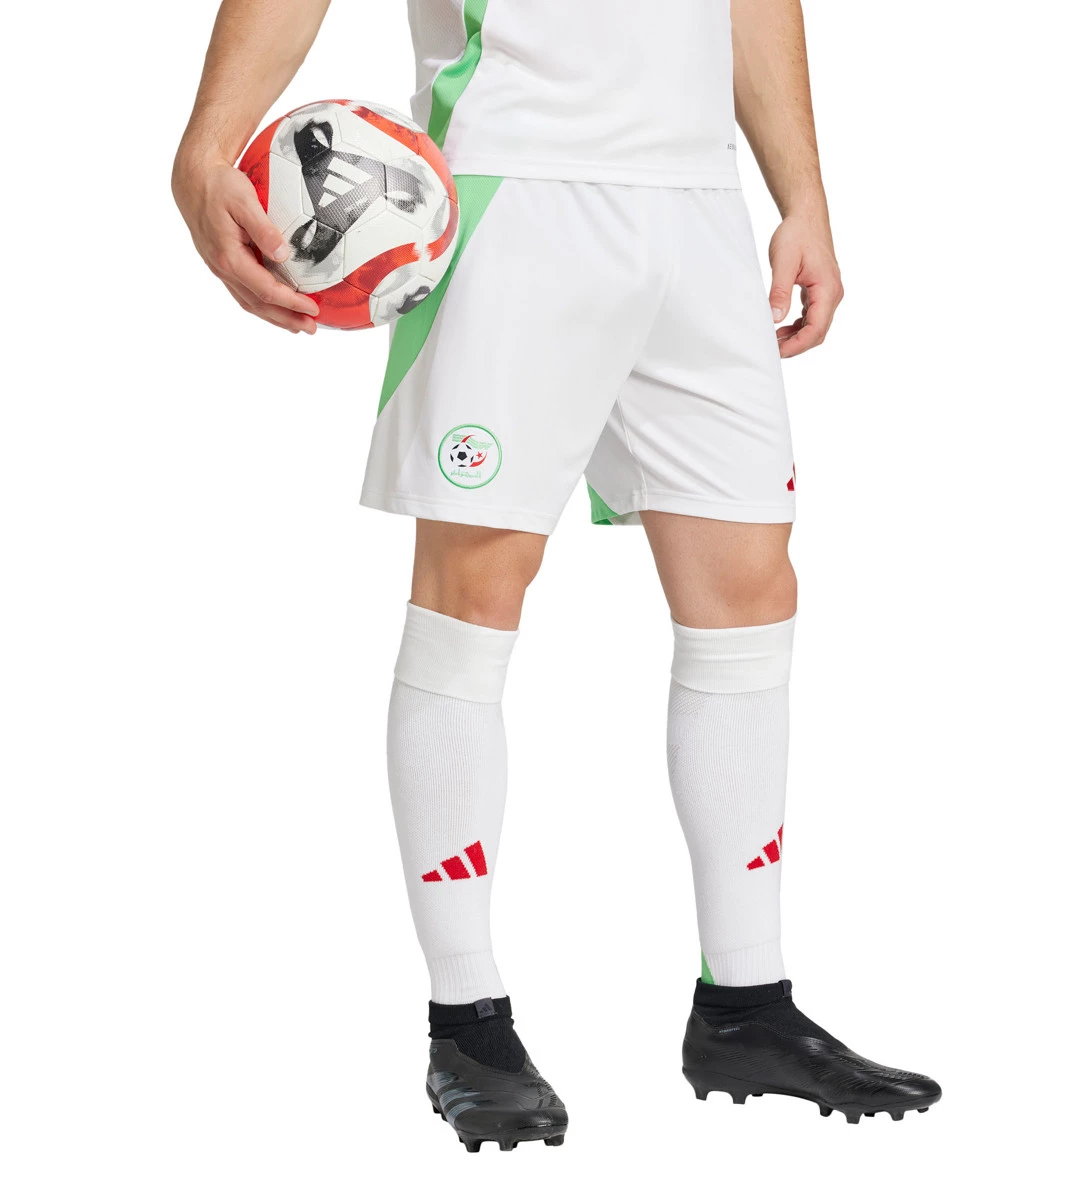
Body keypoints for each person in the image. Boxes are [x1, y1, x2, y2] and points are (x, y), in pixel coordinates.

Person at [174, 0, 940, 1153]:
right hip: (510, 183)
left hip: (696, 194)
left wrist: (804, 193)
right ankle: (467, 1024)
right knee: (476, 591)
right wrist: (206, 145)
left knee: (748, 588)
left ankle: (746, 1006)